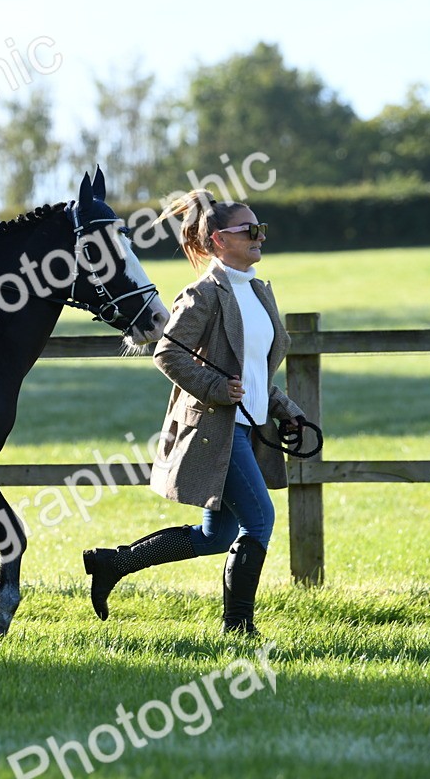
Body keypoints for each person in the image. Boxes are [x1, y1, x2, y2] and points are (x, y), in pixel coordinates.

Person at [82, 190, 306, 635]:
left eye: (261, 229)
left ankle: (113, 563)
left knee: (217, 536)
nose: (260, 237)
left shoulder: (259, 292)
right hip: (216, 432)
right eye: (251, 231)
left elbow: (256, 372)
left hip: (247, 425)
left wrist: (287, 410)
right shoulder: (204, 293)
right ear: (221, 240)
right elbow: (166, 354)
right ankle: (238, 627)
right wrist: (215, 387)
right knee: (259, 520)